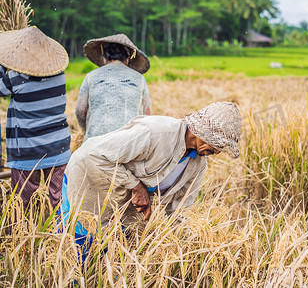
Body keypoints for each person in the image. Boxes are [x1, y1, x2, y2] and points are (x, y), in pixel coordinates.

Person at [61, 101, 241, 259]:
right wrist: (135, 186)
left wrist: (183, 245)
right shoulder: (156, 132)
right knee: (79, 248)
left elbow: (179, 208)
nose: (217, 152)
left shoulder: (198, 165)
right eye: (217, 144)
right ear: (201, 132)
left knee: (116, 254)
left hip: (120, 199)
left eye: (222, 147)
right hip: (88, 178)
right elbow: (98, 155)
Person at [0, 26, 71, 209]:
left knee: (21, 201)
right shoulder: (59, 76)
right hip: (58, 148)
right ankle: (64, 235)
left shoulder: (16, 78)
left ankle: (18, 235)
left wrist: (2, 65)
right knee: (59, 198)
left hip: (26, 152)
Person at [75, 34, 152, 142]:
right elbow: (147, 114)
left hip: (94, 142)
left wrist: (85, 131)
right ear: (127, 59)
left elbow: (80, 110)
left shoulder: (91, 77)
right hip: (129, 143)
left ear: (105, 58)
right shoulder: (139, 79)